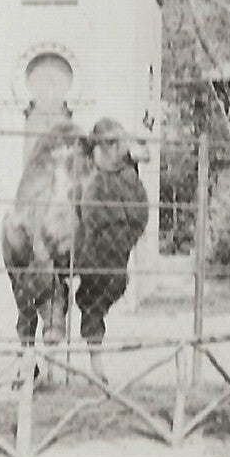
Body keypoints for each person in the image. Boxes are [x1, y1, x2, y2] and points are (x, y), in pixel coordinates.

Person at [73, 117, 151, 382]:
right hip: (93, 247)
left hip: (117, 247)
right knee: (94, 292)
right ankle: (93, 361)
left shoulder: (126, 173)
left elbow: (143, 152)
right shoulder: (91, 181)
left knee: (111, 286)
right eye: (110, 144)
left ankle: (94, 358)